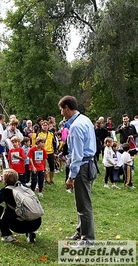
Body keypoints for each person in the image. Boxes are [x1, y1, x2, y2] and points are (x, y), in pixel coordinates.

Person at [59, 95, 97, 246]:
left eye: (61, 110)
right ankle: (81, 231)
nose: (61, 113)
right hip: (90, 164)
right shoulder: (85, 119)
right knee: (81, 201)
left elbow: (77, 155)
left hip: (82, 167)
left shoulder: (76, 127)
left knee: (83, 204)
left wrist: (71, 176)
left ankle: (88, 239)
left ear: (67, 108)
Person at [0, 169, 42, 243]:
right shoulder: (24, 187)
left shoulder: (6, 191)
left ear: (5, 180)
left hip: (18, 226)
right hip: (36, 222)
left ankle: (7, 235)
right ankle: (30, 233)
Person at [37, 120, 56, 185]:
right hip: (42, 152)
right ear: (41, 126)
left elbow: (54, 143)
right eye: (43, 125)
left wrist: (55, 152)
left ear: (48, 126)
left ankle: (51, 180)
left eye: (46, 125)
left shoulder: (51, 134)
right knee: (43, 166)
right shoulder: (39, 134)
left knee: (52, 166)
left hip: (50, 151)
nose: (45, 127)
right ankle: (46, 180)